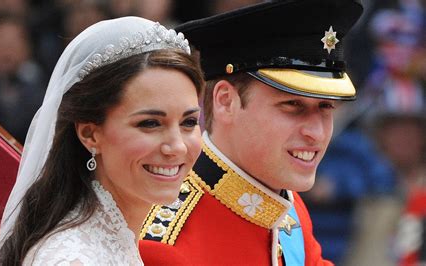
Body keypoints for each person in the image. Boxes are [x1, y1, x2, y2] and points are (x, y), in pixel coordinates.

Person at [139, 0, 363, 265]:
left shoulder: (286, 207)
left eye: (326, 107)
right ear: (225, 101)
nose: (316, 132)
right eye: (292, 106)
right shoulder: (165, 247)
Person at [0, 16, 205, 265]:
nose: (177, 146)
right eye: (150, 124)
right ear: (90, 134)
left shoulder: (114, 239)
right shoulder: (71, 259)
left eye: (189, 122)